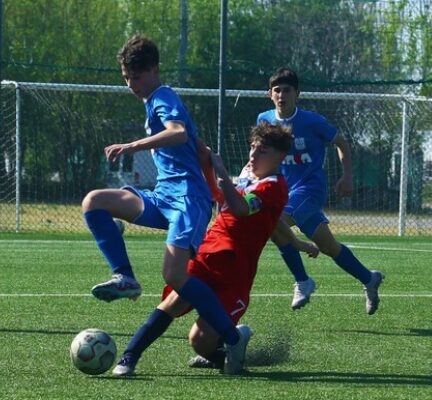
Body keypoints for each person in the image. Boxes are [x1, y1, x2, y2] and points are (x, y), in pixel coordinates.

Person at [82, 33, 252, 374]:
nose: (132, 84)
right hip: (164, 195)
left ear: (155, 70)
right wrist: (214, 162)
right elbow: (193, 139)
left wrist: (131, 146)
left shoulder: (162, 96)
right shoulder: (155, 100)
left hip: (187, 199)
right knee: (94, 202)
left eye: (137, 76)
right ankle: (125, 277)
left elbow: (178, 133)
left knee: (174, 275)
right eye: (126, 78)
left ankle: (232, 340)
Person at [111, 123, 319, 376]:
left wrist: (220, 173)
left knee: (199, 340)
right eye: (252, 148)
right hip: (209, 253)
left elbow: (242, 209)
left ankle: (222, 352)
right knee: (174, 300)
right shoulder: (247, 174)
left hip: (235, 271)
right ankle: (128, 358)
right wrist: (205, 162)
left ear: (280, 156)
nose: (253, 155)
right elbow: (225, 200)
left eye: (262, 151)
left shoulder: (275, 186)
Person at [257, 67, 383, 313]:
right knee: (328, 246)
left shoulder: (311, 121)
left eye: (287, 90)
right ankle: (369, 279)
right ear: (269, 94)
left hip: (310, 189)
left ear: (297, 94)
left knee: (275, 222)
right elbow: (262, 152)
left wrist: (347, 177)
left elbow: (341, 143)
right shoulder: (264, 120)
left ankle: (303, 281)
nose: (282, 95)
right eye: (277, 90)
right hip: (285, 191)